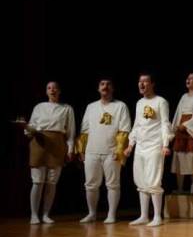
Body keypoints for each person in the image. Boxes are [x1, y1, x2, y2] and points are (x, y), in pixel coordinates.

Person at [76, 77, 132, 223]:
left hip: (111, 151)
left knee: (113, 184)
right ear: (98, 88)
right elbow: (84, 130)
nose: (105, 86)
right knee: (90, 184)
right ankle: (92, 213)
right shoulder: (91, 107)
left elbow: (125, 129)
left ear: (113, 88)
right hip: (92, 151)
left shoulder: (120, 106)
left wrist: (119, 150)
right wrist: (81, 150)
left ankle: (111, 214)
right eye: (102, 84)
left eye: (108, 84)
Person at [124, 72, 174, 227]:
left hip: (155, 146)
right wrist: (130, 145)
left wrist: (165, 144)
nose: (141, 84)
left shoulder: (161, 102)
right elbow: (137, 125)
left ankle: (157, 216)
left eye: (145, 81)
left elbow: (165, 123)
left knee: (153, 180)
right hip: (140, 146)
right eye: (140, 81)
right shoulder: (139, 103)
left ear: (152, 84)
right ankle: (144, 216)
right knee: (141, 180)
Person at [24, 81, 76, 224]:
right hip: (39, 142)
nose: (52, 90)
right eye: (49, 88)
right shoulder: (39, 107)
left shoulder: (67, 108)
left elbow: (71, 132)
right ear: (46, 91)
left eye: (55, 88)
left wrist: (70, 149)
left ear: (59, 91)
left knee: (52, 182)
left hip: (57, 144)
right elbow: (32, 125)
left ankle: (46, 214)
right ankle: (34, 215)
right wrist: (27, 129)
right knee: (37, 181)